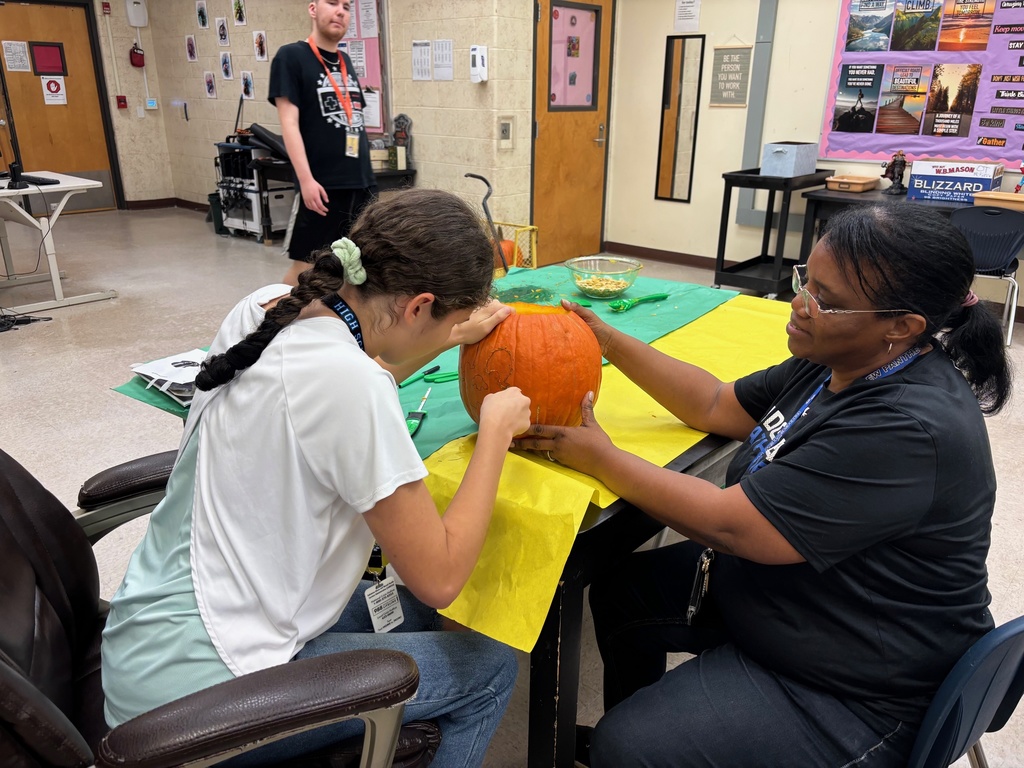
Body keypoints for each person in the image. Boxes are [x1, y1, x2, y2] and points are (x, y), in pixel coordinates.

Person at [515, 203, 1012, 768]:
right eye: (806, 281)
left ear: (901, 326)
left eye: (825, 299)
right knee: (625, 590)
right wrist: (607, 340)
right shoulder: (839, 357)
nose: (799, 305)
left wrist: (601, 457)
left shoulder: (905, 427)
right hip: (802, 601)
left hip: (863, 687)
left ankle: (631, 749)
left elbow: (732, 525)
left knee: (628, 746)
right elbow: (714, 403)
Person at [101, 189, 532, 767]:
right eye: (449, 319)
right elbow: (442, 576)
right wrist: (496, 433)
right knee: (490, 667)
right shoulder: (355, 389)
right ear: (418, 305)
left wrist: (449, 335)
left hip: (147, 644)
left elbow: (351, 364)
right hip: (197, 703)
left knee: (412, 616)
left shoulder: (265, 307)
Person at [269, 0, 376, 286]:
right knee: (308, 268)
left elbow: (354, 122)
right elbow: (289, 123)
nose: (340, 10)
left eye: (346, 5)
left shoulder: (345, 61)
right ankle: (273, 323)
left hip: (361, 182)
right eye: (332, 2)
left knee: (354, 267)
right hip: (322, 185)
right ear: (313, 8)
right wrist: (305, 180)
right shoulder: (291, 57)